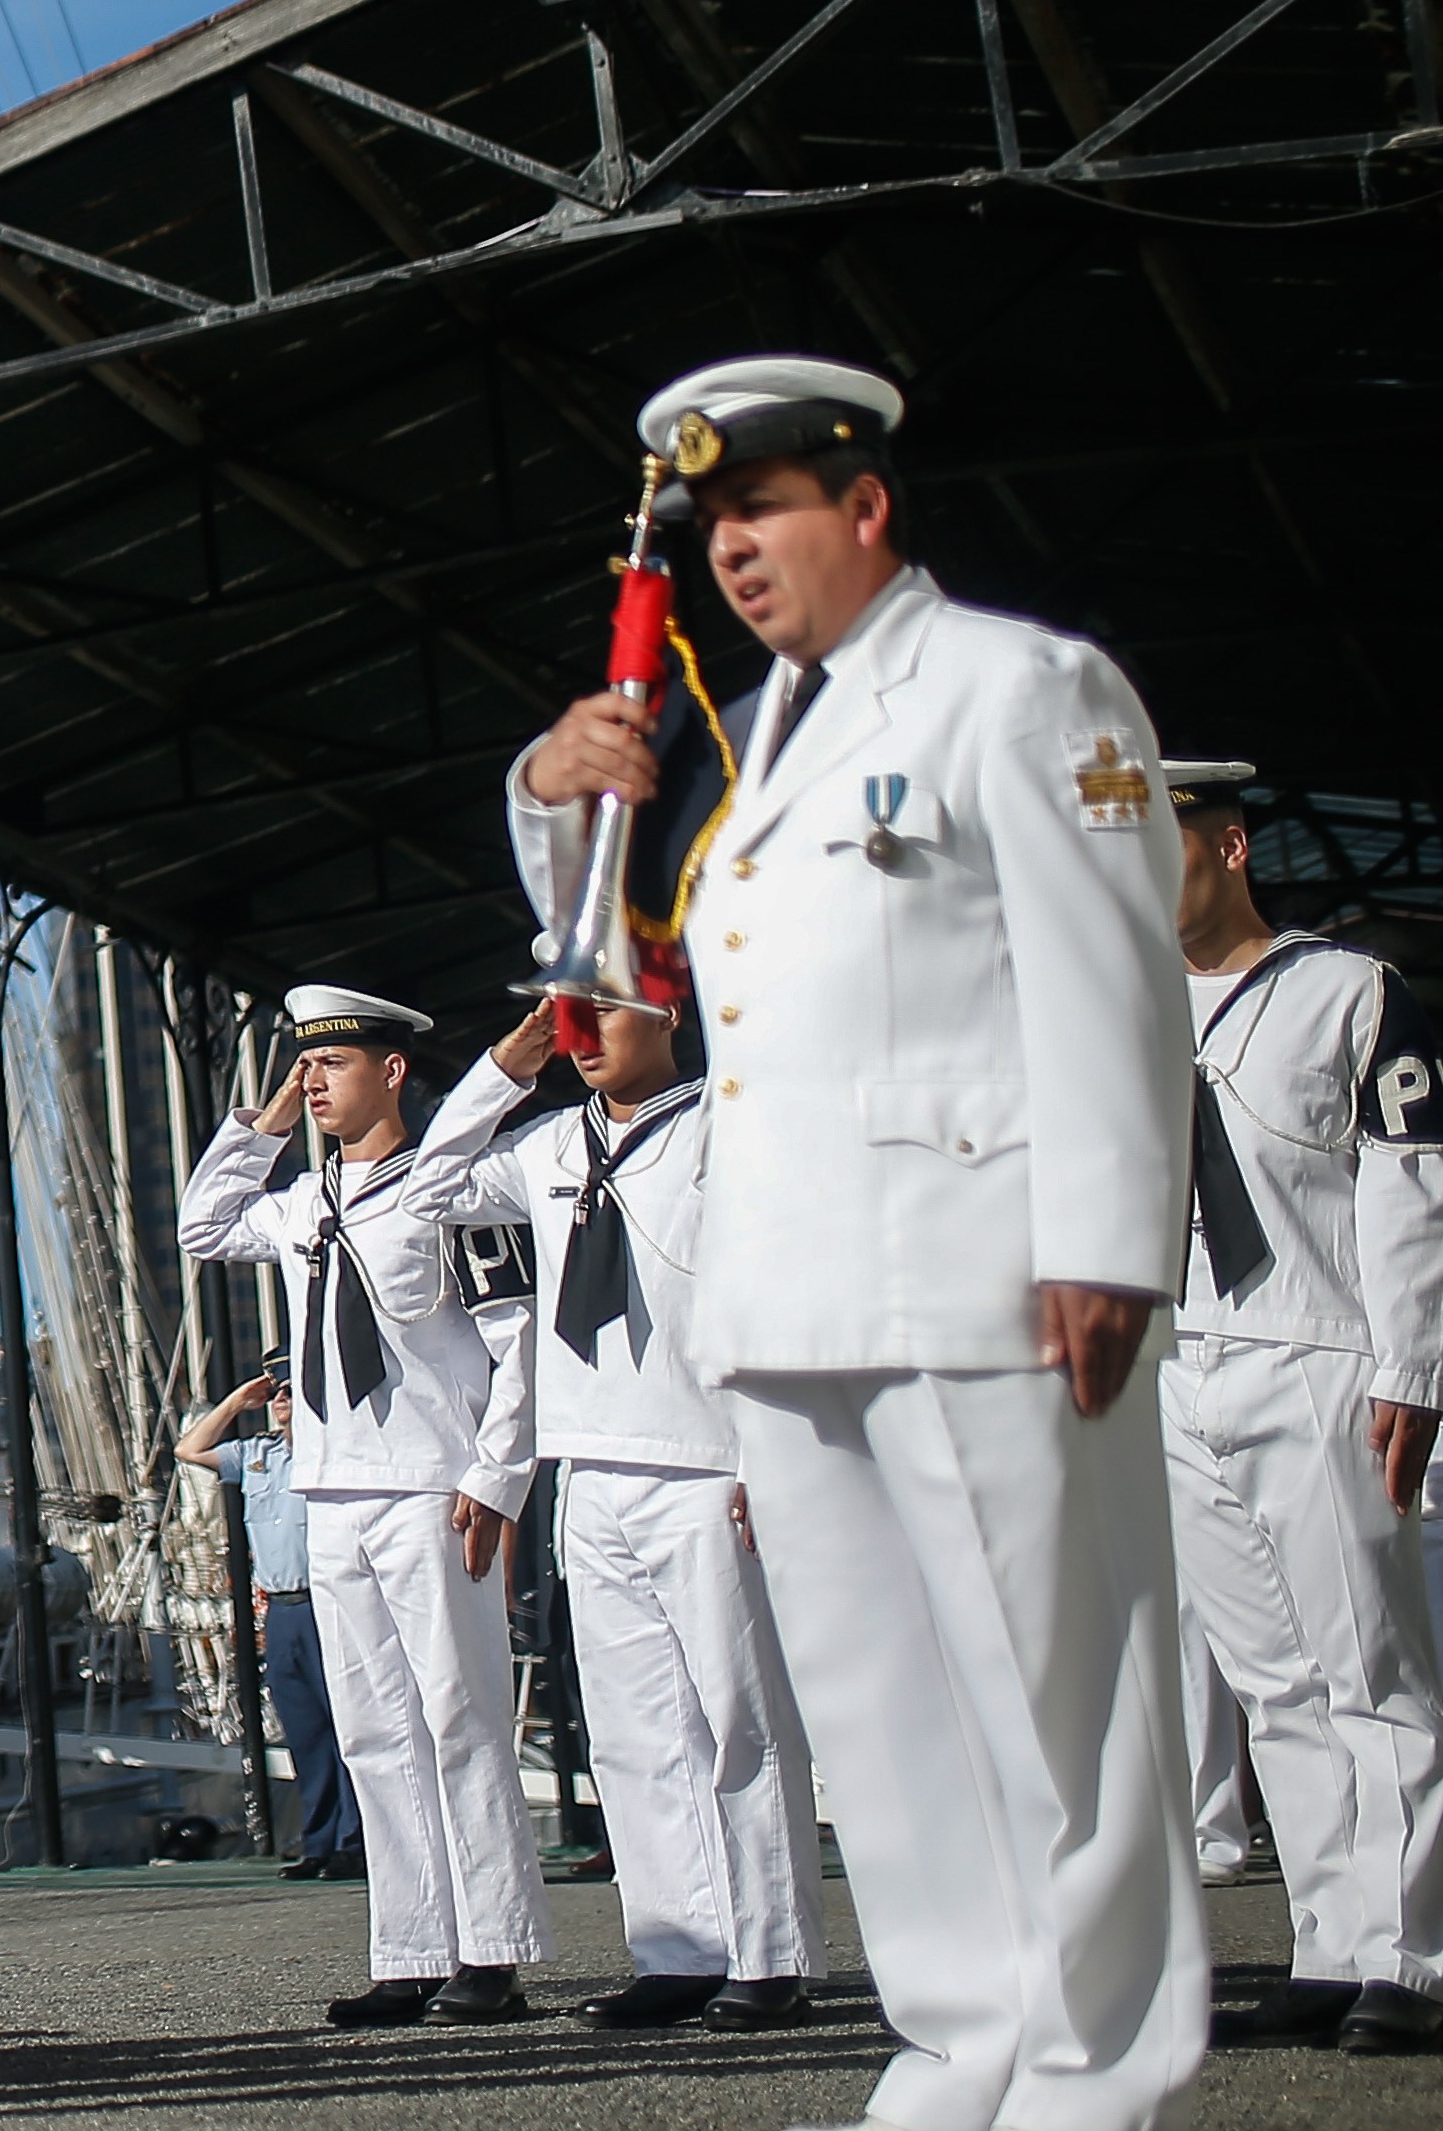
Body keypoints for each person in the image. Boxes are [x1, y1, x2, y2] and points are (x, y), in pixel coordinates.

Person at [515, 355, 1203, 2131]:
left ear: (864, 506)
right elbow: (614, 960)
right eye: (709, 526)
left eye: (760, 512)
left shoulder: (1016, 688)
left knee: (1057, 1708)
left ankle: (1086, 2074)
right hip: (791, 1288)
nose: (730, 554)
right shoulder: (765, 748)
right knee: (881, 1726)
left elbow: (1107, 969)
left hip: (984, 1273)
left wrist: (1108, 1236)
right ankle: (957, 2043)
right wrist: (554, 792)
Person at [399, 996, 823, 2029]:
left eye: (597, 1015)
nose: (578, 1039)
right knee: (636, 1732)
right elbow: (426, 1189)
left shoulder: (727, 1124)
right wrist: (503, 1069)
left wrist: (771, 1453)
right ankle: (678, 1949)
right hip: (589, 1465)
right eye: (562, 1024)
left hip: (704, 1456)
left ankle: (771, 1957)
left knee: (743, 1720)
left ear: (666, 1010)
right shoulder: (547, 1142)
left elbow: (786, 1285)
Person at [176, 987, 544, 2029]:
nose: (313, 1081)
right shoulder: (303, 1207)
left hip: (432, 1484)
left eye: (330, 1065)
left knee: (461, 1718)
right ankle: (413, 1948)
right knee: (376, 1730)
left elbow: (517, 1346)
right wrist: (265, 1126)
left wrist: (494, 1473)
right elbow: (203, 1227)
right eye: (304, 1065)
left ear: (391, 1070)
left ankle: (494, 1950)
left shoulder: (446, 1193)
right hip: (330, 1489)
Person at [1153, 759, 1443, 2052]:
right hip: (1182, 1359)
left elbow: (1409, 1184)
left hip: (1319, 1349)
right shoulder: (1125, 1009)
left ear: (1227, 845)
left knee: (1372, 1670)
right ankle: (1332, 1944)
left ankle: (1415, 1956)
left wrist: (1412, 1365)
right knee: (1271, 1681)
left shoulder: (1346, 991)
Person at [171, 1379, 361, 1878]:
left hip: (326, 1602)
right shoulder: (257, 1455)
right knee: (306, 1733)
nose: (281, 1400)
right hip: (281, 1609)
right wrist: (236, 1402)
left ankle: (355, 1841)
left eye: (293, 1391)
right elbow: (189, 1448)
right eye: (275, 1392)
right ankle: (320, 1842)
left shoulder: (331, 1454)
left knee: (347, 1728)